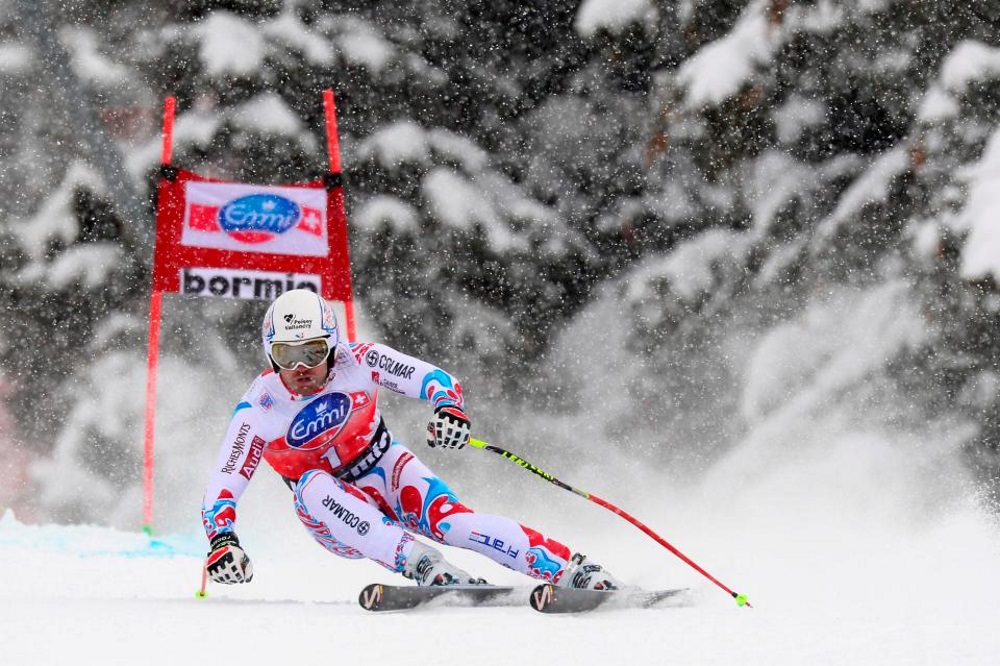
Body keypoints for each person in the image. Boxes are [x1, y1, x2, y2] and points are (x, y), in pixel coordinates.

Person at [202, 288, 621, 591]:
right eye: (285, 355)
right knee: (312, 485)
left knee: (454, 523)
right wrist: (223, 540)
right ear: (268, 353)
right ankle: (421, 564)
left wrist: (449, 409)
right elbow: (224, 482)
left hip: (386, 468)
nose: (301, 367)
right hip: (335, 515)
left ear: (332, 346)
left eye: (312, 352)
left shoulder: (360, 361)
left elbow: (433, 379)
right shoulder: (259, 408)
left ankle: (572, 569)